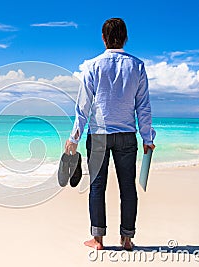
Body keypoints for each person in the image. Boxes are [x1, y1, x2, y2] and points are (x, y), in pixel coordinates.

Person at [65, 18, 156, 251]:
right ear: (125, 37)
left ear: (103, 38)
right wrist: (147, 138)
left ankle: (97, 240)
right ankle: (126, 239)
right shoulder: (137, 66)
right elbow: (143, 106)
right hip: (127, 134)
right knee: (128, 187)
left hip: (98, 136)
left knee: (97, 186)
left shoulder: (93, 66)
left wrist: (74, 137)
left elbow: (82, 107)